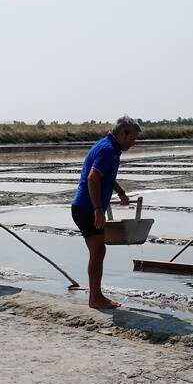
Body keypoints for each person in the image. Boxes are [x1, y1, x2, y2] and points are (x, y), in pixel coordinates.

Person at [71, 116, 142, 309]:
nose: (133, 142)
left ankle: (96, 296)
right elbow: (93, 178)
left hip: (85, 207)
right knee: (98, 251)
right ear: (121, 133)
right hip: (86, 208)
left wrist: (120, 192)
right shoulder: (108, 149)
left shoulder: (109, 147)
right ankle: (95, 298)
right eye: (132, 138)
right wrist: (97, 210)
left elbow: (106, 177)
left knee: (98, 251)